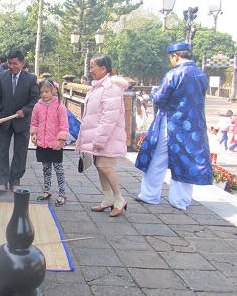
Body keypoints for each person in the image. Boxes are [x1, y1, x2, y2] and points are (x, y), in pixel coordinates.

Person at [135, 42, 213, 210]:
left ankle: (149, 195)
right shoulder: (201, 74)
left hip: (171, 123)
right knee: (186, 162)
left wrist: (153, 92)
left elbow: (159, 98)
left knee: (157, 158)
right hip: (193, 125)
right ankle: (181, 201)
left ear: (175, 56)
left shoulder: (174, 74)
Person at [76, 54, 129, 217]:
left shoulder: (111, 88)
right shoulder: (98, 87)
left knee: (105, 167)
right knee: (100, 167)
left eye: (93, 67)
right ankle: (108, 199)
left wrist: (99, 139)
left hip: (107, 138)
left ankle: (119, 199)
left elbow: (109, 118)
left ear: (104, 68)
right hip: (100, 137)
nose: (90, 70)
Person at [0, 49, 39, 192]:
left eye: (14, 63)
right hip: (5, 120)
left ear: (22, 63)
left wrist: (24, 111)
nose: (11, 66)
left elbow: (35, 99)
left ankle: (15, 180)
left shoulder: (31, 78)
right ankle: (1, 181)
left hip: (22, 121)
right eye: (9, 63)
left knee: (20, 152)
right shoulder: (2, 76)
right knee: (2, 151)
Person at [30, 79, 69, 205]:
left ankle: (62, 193)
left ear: (53, 90)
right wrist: (34, 134)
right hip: (42, 143)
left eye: (46, 91)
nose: (44, 94)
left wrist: (61, 140)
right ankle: (47, 190)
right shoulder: (37, 106)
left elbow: (64, 125)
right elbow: (34, 122)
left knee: (58, 169)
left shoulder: (60, 106)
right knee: (46, 168)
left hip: (55, 143)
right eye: (41, 92)